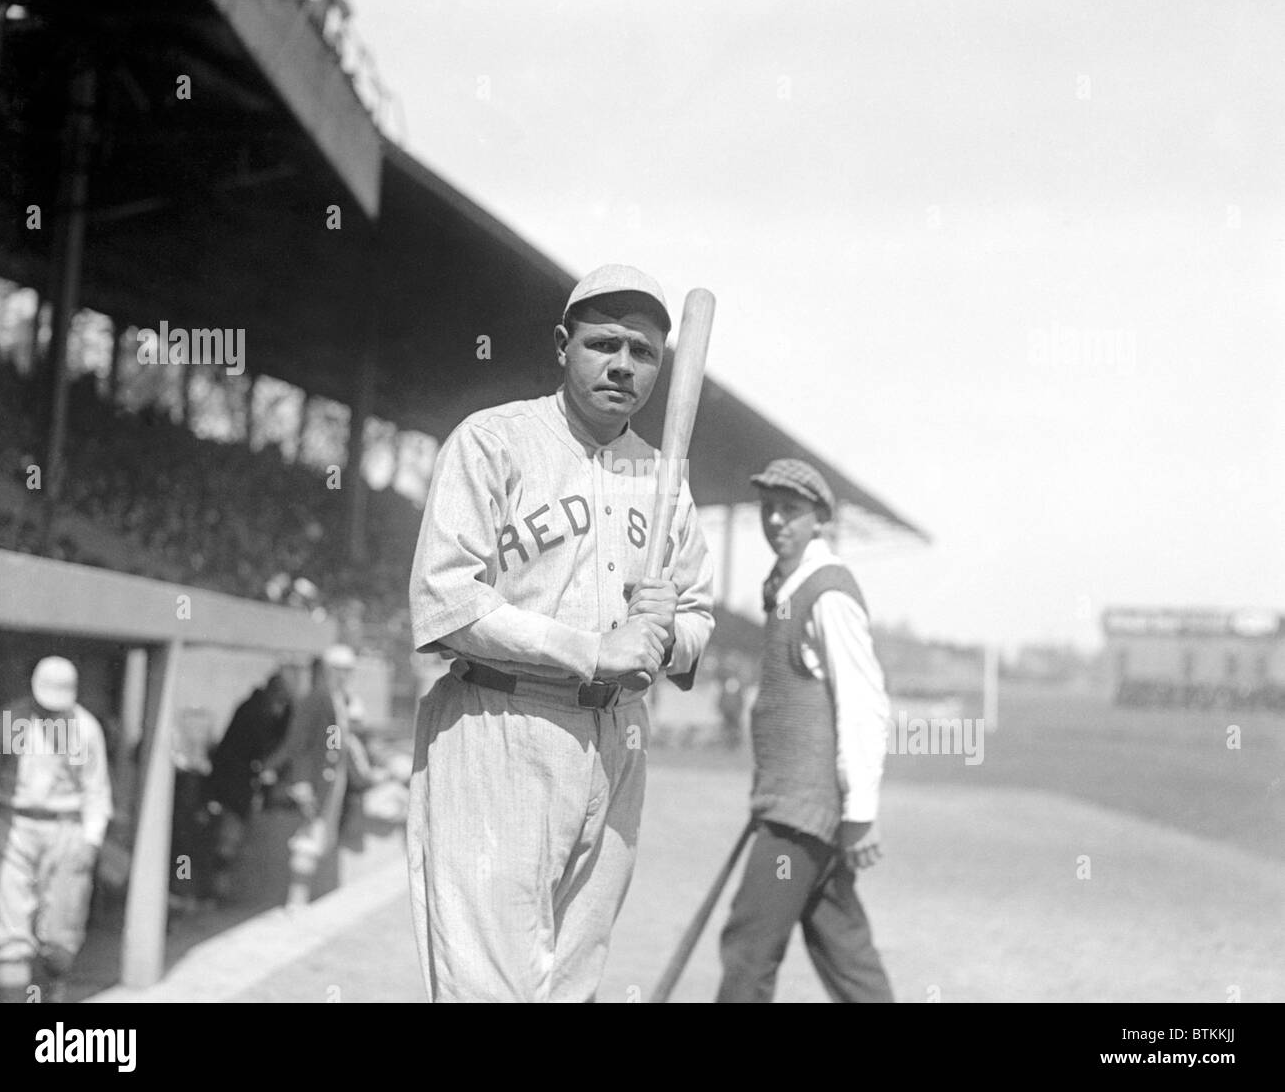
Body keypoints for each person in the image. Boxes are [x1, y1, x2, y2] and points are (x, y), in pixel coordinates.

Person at [408, 263, 715, 1002]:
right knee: (488, 987)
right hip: (501, 724)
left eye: (642, 353)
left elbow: (700, 614)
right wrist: (590, 647)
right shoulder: (494, 442)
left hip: (618, 739)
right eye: (603, 344)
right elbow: (443, 598)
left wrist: (667, 634)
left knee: (574, 982)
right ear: (561, 344)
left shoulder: (662, 474)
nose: (622, 365)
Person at [716, 459, 894, 1003]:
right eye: (768, 508)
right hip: (796, 809)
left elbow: (864, 704)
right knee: (847, 954)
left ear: (819, 518)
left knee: (748, 949)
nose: (775, 521)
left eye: (790, 510)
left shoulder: (829, 593)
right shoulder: (785, 586)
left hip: (801, 818)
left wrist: (860, 815)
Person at [0, 657, 112, 1003]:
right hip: (14, 825)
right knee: (10, 933)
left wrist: (91, 841)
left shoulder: (85, 729)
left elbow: (97, 790)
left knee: (60, 935)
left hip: (66, 829)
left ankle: (51, 1003)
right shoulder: (8, 722)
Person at [262, 645, 357, 906]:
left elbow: (333, 742)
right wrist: (303, 781)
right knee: (309, 836)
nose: (343, 676)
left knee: (320, 835)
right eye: (338, 670)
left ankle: (303, 899)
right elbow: (299, 743)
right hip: (316, 780)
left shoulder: (338, 699)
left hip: (331, 778)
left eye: (348, 671)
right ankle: (297, 901)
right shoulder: (316, 699)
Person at [205, 671, 293, 901]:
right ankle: (216, 890)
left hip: (235, 781)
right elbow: (264, 745)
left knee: (230, 835)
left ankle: (218, 889)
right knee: (227, 836)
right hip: (232, 783)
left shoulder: (258, 708)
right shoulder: (255, 711)